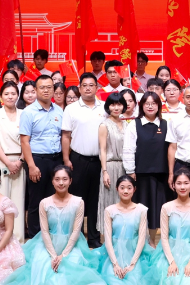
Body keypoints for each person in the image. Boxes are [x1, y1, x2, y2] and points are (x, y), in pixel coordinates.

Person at [0, 165, 111, 285]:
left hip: (72, 244)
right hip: (48, 244)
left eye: (65, 179)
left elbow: (76, 231)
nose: (61, 183)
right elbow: (45, 231)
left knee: (73, 266)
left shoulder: (78, 202)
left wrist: (63, 255)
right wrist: (54, 255)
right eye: (57, 179)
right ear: (52, 181)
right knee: (41, 266)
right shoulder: (45, 203)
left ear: (70, 181)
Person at [148, 169, 190, 285]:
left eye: (186, 183)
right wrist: (171, 261)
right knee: (167, 282)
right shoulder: (166, 207)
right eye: (179, 183)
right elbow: (164, 237)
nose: (182, 187)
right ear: (173, 185)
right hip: (169, 251)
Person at [61, 71, 104, 248]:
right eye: (84, 85)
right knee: (77, 200)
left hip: (99, 161)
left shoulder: (104, 108)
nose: (87, 88)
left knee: (96, 200)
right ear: (79, 88)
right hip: (77, 160)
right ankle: (76, 238)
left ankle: (93, 237)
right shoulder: (71, 109)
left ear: (97, 87)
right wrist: (66, 159)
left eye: (91, 85)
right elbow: (65, 135)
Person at [19, 74, 64, 240]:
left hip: (56, 160)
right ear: (36, 90)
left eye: (49, 87)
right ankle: (35, 238)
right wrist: (31, 165)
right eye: (42, 87)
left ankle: (52, 236)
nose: (46, 90)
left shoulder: (59, 110)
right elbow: (25, 141)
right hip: (37, 160)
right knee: (36, 201)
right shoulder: (28, 112)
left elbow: (63, 136)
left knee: (55, 200)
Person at [123, 92, 170, 245]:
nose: (150, 106)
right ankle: (139, 240)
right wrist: (130, 171)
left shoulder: (165, 124)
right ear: (141, 106)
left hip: (161, 175)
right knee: (141, 208)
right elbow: (128, 149)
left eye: (154, 103)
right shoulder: (134, 124)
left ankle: (153, 240)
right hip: (140, 175)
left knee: (157, 209)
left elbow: (171, 149)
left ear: (159, 106)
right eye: (147, 103)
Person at [99, 175, 155, 285]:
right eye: (122, 187)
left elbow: (142, 238)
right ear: (117, 189)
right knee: (113, 284)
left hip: (135, 253)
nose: (125, 191)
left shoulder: (141, 209)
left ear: (134, 189)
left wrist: (132, 264)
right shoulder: (110, 210)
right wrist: (115, 264)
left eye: (129, 188)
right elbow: (107, 239)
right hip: (113, 254)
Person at [0, 82, 26, 241]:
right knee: (1, 200)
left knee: (18, 200)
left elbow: (27, 140)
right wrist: (8, 163)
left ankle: (17, 238)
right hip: (0, 160)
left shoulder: (24, 114)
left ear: (18, 95)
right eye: (6, 94)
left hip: (20, 161)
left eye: (13, 93)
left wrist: (20, 160)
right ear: (1, 96)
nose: (10, 97)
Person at [97, 93, 129, 235]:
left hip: (125, 167)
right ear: (108, 107)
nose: (116, 108)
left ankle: (123, 236)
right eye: (113, 104)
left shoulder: (127, 124)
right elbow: (102, 149)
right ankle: (108, 238)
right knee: (109, 201)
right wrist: (104, 171)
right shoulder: (104, 125)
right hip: (110, 167)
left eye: (119, 104)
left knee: (124, 201)